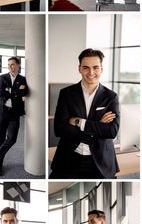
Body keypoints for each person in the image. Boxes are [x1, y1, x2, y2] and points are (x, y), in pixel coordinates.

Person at [49, 48, 120, 179]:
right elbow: (59, 129)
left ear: (101, 69)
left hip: (100, 160)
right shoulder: (66, 93)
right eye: (86, 67)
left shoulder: (111, 97)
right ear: (79, 69)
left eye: (95, 67)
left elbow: (111, 131)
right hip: (69, 157)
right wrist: (98, 127)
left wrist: (78, 122)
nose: (91, 72)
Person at [0, 57, 28, 175]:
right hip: (2, 111)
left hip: (14, 113)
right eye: (9, 64)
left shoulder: (22, 79)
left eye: (13, 64)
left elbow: (25, 92)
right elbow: (1, 92)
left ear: (18, 65)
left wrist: (10, 90)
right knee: (0, 139)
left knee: (12, 139)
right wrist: (17, 90)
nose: (10, 66)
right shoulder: (3, 77)